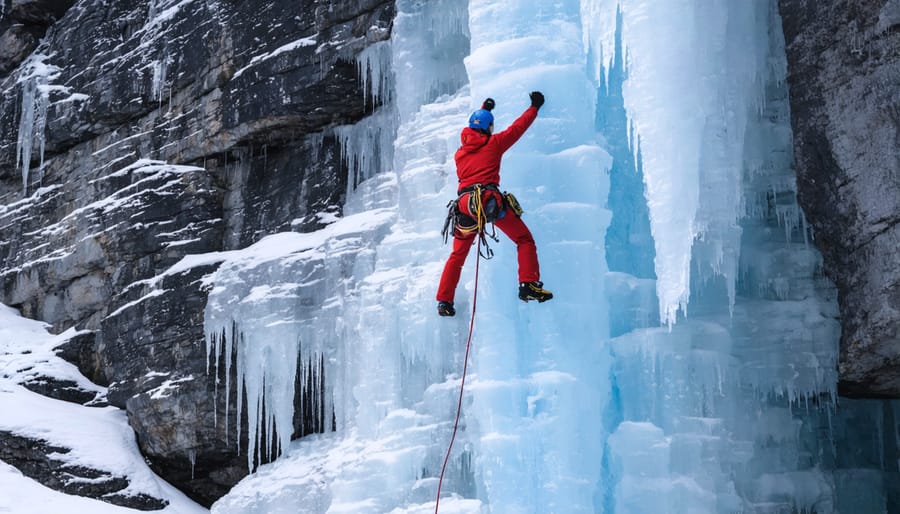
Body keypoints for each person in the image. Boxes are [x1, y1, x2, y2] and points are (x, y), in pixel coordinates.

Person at [436, 92, 553, 317]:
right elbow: (517, 129)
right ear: (489, 128)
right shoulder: (494, 143)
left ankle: (444, 301)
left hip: (465, 207)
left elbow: (477, 129)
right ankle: (528, 284)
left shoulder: (460, 154)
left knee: (457, 256)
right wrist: (534, 107)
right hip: (489, 203)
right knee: (524, 239)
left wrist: (486, 108)